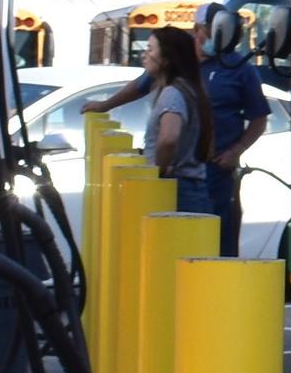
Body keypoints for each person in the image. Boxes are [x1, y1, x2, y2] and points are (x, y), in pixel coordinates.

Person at [85, 26, 217, 226]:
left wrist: (159, 169)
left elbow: (169, 138)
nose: (145, 54)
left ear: (166, 59)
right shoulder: (191, 89)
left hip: (177, 191)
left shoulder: (172, 93)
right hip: (192, 189)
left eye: (150, 49)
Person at [196, 3, 273, 258]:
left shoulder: (240, 68)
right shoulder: (184, 66)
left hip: (218, 172)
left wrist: (236, 150)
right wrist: (105, 105)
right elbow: (143, 84)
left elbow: (259, 118)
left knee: (220, 244)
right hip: (183, 172)